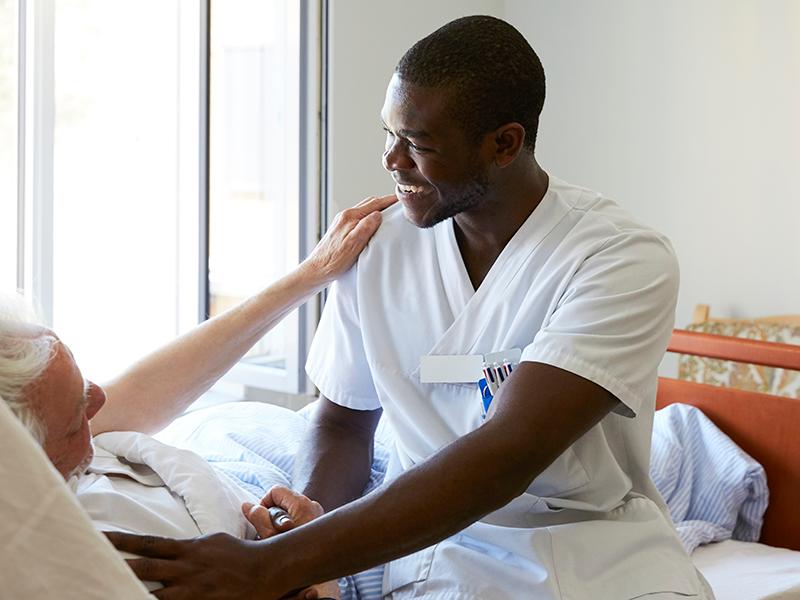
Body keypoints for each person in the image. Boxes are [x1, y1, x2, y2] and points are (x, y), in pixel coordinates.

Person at [109, 15, 715, 600]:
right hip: (435, 544)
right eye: (389, 135)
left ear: (504, 143)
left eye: (418, 143)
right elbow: (344, 421)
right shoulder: (378, 248)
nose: (392, 160)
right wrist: (308, 522)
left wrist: (271, 565)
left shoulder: (620, 259)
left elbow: (511, 451)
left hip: (599, 549)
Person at [0, 194, 396, 600]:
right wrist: (316, 575)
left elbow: (138, 394)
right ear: (26, 464)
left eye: (85, 382)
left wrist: (313, 273)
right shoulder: (65, 566)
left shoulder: (38, 434)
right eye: (77, 420)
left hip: (253, 459)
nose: (100, 402)